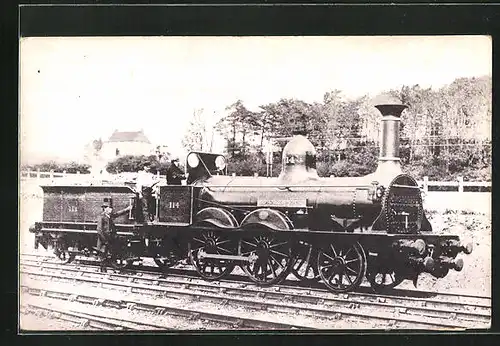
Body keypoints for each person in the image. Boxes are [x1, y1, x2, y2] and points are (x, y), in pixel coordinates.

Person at [95, 202, 132, 269]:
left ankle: (110, 267)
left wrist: (127, 209)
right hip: (104, 240)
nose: (111, 210)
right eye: (109, 208)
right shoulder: (101, 217)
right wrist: (105, 241)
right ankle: (103, 271)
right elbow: (99, 230)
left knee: (110, 252)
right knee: (103, 256)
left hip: (110, 238)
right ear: (105, 209)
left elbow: (117, 214)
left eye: (111, 208)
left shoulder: (109, 216)